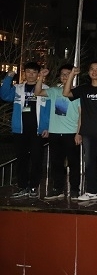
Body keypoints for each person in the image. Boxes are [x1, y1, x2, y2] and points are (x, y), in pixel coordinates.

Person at [63, 60, 97, 202]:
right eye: (91, 69)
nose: (94, 71)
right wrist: (72, 75)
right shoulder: (84, 89)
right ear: (88, 72)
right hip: (87, 132)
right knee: (89, 163)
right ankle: (92, 191)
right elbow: (66, 93)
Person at [1, 62, 50, 199]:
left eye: (34, 72)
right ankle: (22, 186)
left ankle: (34, 186)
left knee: (36, 159)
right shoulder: (18, 88)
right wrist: (9, 77)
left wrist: (47, 127)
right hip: (20, 130)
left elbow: (50, 110)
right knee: (21, 159)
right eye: (28, 72)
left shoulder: (46, 89)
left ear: (38, 74)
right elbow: (4, 95)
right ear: (24, 73)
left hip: (38, 131)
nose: (31, 75)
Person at [34, 65, 82, 200]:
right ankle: (58, 189)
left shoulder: (78, 93)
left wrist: (79, 133)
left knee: (73, 163)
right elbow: (37, 92)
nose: (64, 76)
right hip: (54, 133)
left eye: (68, 74)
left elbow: (81, 116)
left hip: (71, 133)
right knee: (56, 163)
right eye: (62, 74)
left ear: (73, 75)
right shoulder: (54, 91)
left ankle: (74, 189)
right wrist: (41, 77)